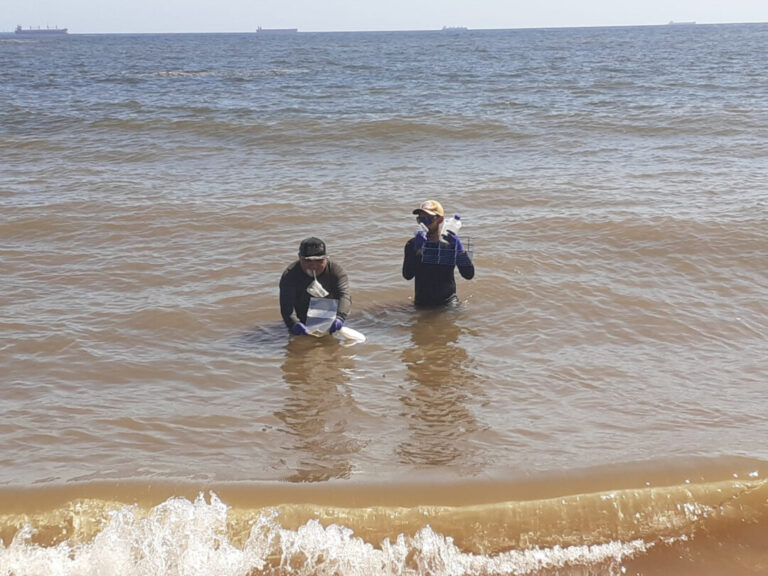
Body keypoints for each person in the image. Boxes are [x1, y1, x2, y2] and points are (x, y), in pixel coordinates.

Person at [402, 200, 474, 307]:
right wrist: (417, 251)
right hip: (422, 302)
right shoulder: (412, 244)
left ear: (440, 219)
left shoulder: (450, 244)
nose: (423, 223)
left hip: (449, 303)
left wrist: (459, 251)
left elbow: (468, 275)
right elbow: (407, 275)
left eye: (427, 219)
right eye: (420, 219)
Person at [280, 237, 351, 335]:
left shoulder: (336, 272)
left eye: (319, 261)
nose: (313, 266)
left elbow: (344, 296)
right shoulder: (290, 275)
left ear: (326, 259)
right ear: (299, 258)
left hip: (328, 316)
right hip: (301, 317)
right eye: (308, 261)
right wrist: (294, 324)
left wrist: (340, 317)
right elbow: (286, 306)